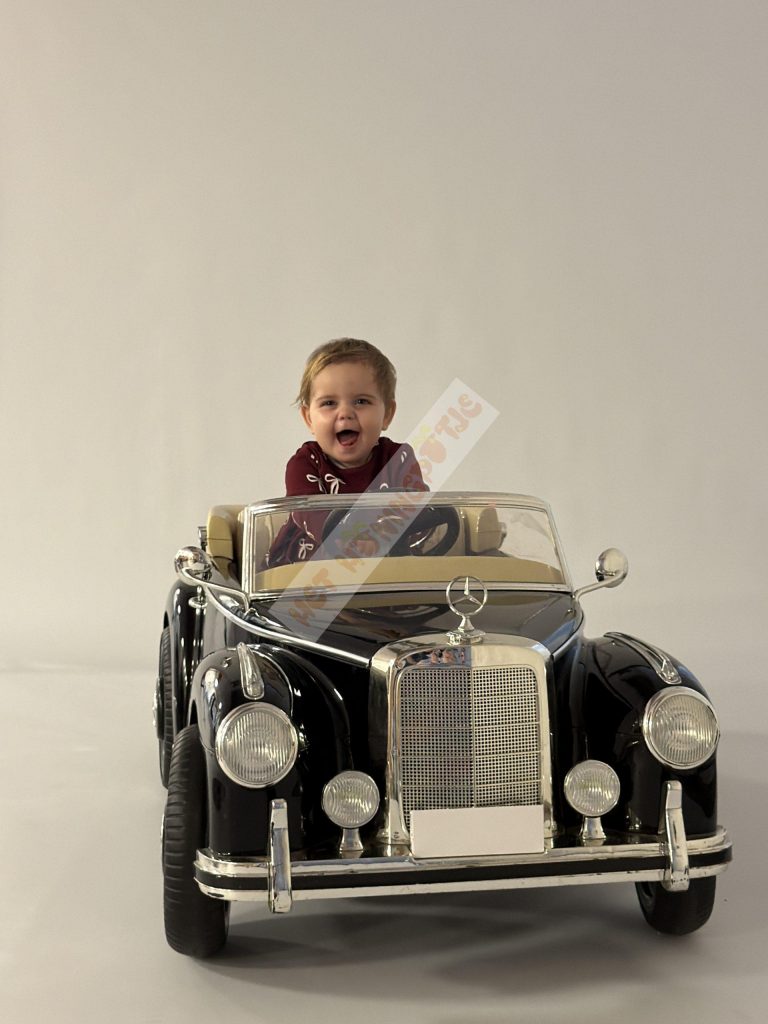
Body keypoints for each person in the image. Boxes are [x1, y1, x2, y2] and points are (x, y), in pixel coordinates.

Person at [267, 339, 427, 566]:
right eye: (329, 403)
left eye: (361, 401)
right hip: (306, 570)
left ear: (387, 414)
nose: (345, 413)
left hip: (386, 569)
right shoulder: (305, 463)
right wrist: (345, 541)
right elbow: (307, 512)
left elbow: (417, 510)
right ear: (309, 418)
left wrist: (381, 536)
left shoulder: (397, 459)